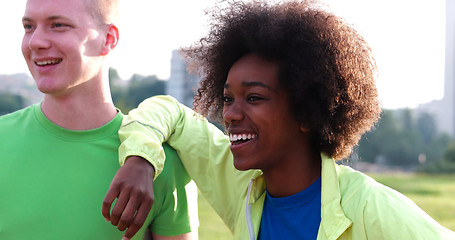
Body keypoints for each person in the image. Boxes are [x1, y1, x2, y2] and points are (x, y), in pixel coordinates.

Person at [118, 0, 455, 239]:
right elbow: (170, 112)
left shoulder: (370, 207)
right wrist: (140, 159)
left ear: (307, 112)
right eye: (227, 98)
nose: (231, 114)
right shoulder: (242, 187)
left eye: (254, 98)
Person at [0, 0, 197, 239]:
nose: (35, 42)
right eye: (29, 27)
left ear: (108, 38)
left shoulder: (160, 163)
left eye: (58, 25)